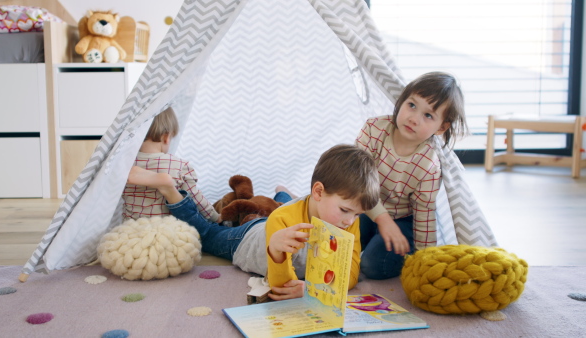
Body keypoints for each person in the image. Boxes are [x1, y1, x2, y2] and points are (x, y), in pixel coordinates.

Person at [128, 144, 380, 301]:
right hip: (246, 240)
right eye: (346, 210)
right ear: (318, 192)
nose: (350, 221)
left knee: (276, 207)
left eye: (357, 214)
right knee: (206, 232)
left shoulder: (349, 220)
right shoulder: (283, 220)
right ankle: (170, 189)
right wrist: (276, 251)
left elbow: (351, 273)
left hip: (278, 215)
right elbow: (279, 284)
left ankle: (282, 193)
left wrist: (313, 289)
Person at [355, 71, 469, 280]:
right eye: (412, 105)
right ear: (402, 101)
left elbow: (425, 213)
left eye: (428, 115)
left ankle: (376, 244)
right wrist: (382, 221)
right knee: (333, 243)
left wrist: (425, 260)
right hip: (363, 206)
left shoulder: (428, 164)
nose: (413, 118)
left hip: (401, 220)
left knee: (372, 265)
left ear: (441, 127)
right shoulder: (374, 130)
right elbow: (358, 182)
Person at [122, 106, 220, 223]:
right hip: (167, 229)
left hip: (132, 229)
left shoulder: (125, 166)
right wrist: (216, 217)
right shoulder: (180, 166)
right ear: (166, 137)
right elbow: (197, 200)